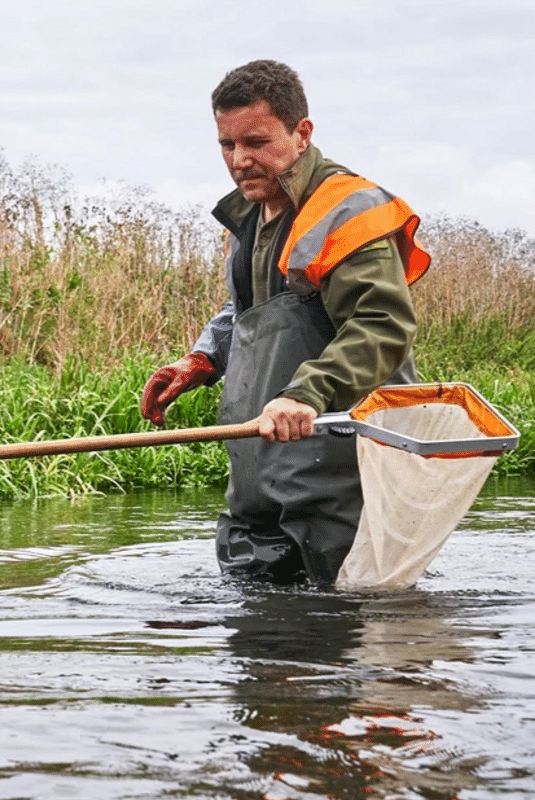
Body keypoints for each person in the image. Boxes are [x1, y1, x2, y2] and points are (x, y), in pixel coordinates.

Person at [140, 60, 430, 585]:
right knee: (254, 642)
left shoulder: (346, 210)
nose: (239, 160)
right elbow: (242, 312)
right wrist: (202, 358)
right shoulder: (248, 217)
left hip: (340, 482)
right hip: (258, 479)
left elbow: (382, 324)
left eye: (255, 141)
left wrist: (306, 393)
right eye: (227, 145)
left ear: (302, 133)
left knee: (349, 634)